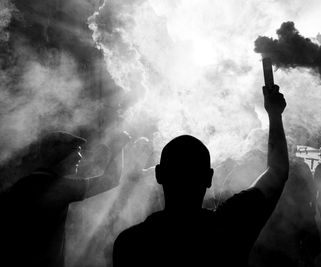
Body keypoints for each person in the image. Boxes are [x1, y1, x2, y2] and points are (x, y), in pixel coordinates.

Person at [113, 84, 289, 267]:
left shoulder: (130, 243)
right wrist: (274, 114)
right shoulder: (229, 226)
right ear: (208, 178)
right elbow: (277, 171)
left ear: (159, 175)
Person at [0, 131, 130, 267]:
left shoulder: (24, 183)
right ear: (57, 153)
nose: (80, 156)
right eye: (75, 150)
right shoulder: (55, 187)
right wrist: (118, 147)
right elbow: (110, 180)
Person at [251, 140, 320, 267]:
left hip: (292, 213)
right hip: (288, 214)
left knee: (303, 247)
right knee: (298, 248)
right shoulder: (299, 166)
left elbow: (311, 188)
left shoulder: (288, 167)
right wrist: (312, 207)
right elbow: (312, 188)